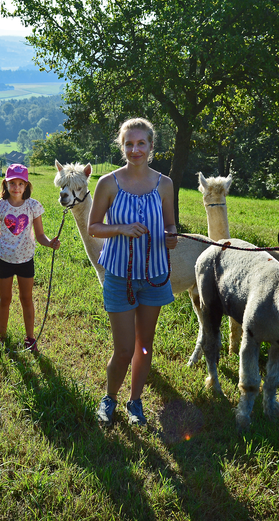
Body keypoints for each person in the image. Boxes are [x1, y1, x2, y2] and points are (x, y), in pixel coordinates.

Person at [88, 118, 178, 426]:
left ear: (152, 147)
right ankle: (109, 397)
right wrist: (121, 229)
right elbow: (94, 226)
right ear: (122, 146)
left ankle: (135, 401)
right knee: (124, 349)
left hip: (153, 275)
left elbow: (170, 226)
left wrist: (171, 235)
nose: (135, 149)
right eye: (129, 144)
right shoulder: (108, 183)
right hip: (119, 276)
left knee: (144, 345)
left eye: (141, 143)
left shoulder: (164, 184)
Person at [0, 164, 60, 354]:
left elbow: (40, 235)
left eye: (20, 184)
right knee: (5, 299)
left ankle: (30, 338)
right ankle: (2, 337)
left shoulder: (33, 206)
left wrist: (50, 242)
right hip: (4, 260)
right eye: (12, 183)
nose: (16, 188)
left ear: (26, 186)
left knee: (26, 299)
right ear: (6, 184)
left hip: (26, 260)